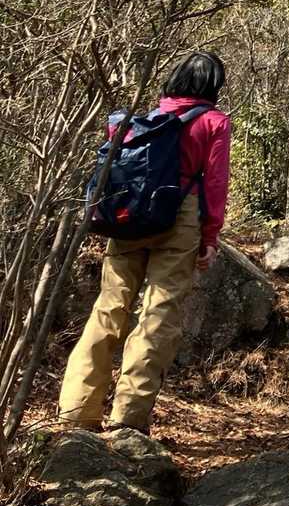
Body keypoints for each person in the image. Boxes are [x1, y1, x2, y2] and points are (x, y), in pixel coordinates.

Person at [58, 51, 232, 434]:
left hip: (130, 217)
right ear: (213, 86)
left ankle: (76, 413)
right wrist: (210, 236)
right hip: (181, 218)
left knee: (109, 308)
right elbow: (215, 183)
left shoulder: (148, 119)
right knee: (158, 314)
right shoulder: (214, 122)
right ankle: (129, 419)